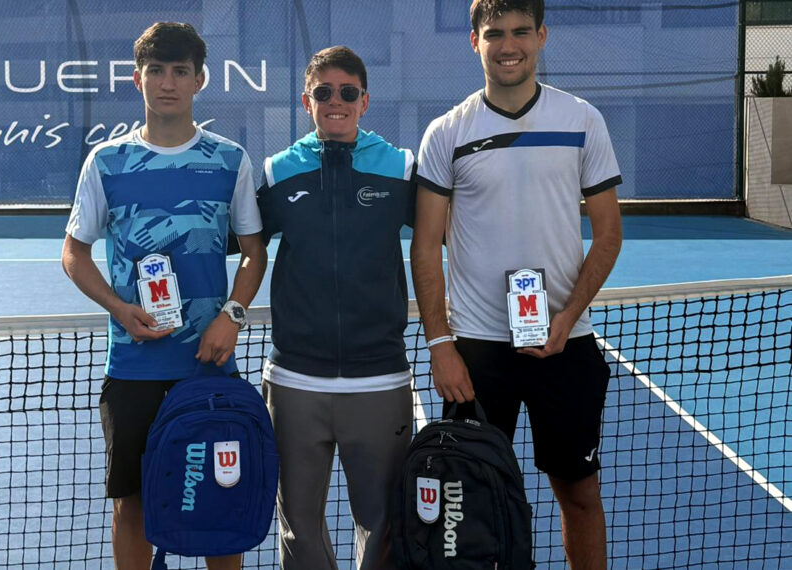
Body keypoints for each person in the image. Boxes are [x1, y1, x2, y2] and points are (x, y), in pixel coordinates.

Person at [410, 1, 623, 568]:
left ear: (542, 36)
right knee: (469, 499)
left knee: (579, 496)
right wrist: (441, 346)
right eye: (495, 33)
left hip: (566, 346)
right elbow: (425, 246)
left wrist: (565, 318)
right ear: (474, 42)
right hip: (477, 353)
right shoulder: (447, 132)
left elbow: (607, 236)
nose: (509, 45)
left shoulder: (582, 120)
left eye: (521, 32)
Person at [61, 22, 266, 570]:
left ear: (200, 80)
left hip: (209, 368)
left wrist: (233, 318)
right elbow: (74, 254)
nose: (168, 83)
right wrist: (119, 308)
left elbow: (254, 252)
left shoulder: (231, 161)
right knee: (132, 503)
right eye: (156, 71)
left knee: (218, 503)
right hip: (133, 368)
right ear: (138, 79)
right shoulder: (106, 162)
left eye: (180, 71)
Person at [255, 46, 415, 570]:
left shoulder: (400, 168)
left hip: (381, 379)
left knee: (385, 521)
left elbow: (456, 235)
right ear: (307, 100)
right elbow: (234, 243)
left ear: (365, 101)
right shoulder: (278, 172)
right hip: (296, 380)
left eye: (348, 92)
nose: (336, 102)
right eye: (324, 93)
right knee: (298, 525)